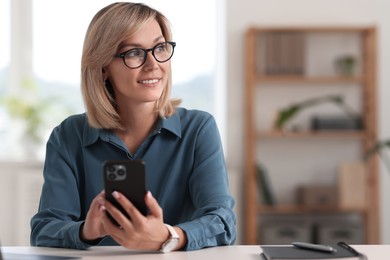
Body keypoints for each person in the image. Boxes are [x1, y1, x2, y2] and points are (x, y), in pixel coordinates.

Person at [30, 2, 236, 252]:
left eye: (160, 48)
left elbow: (223, 222)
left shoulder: (199, 129)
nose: (153, 64)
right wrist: (88, 230)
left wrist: (168, 236)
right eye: (135, 53)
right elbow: (44, 229)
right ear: (103, 67)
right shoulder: (67, 136)